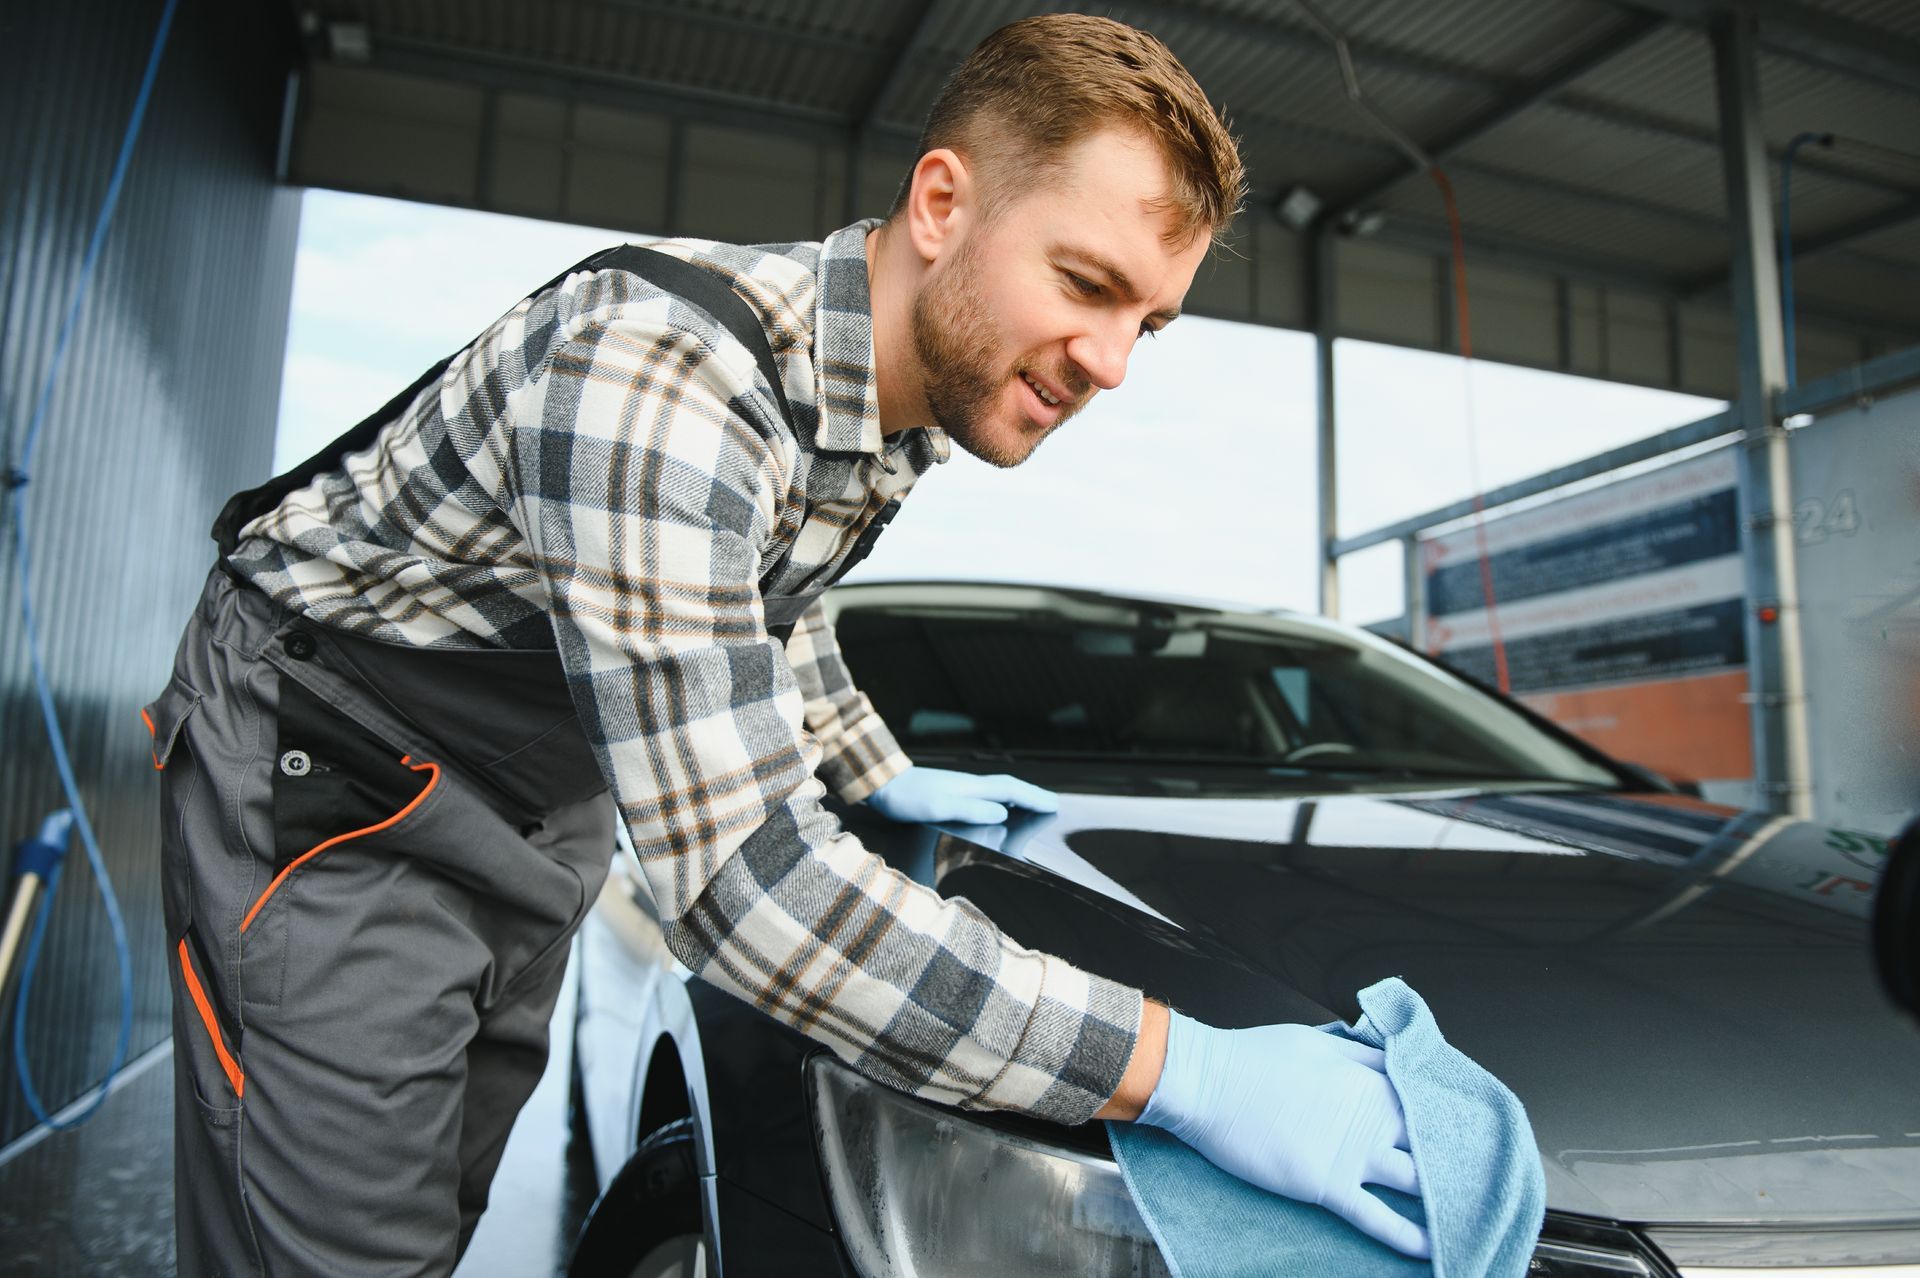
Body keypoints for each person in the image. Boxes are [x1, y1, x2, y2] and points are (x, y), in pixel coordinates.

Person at [145, 13, 1427, 1274]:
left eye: (1147, 322)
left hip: (536, 801)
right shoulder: (659, 384)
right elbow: (747, 896)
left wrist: (869, 765)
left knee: (436, 1200)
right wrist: (1179, 1069)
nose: (1109, 364)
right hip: (332, 772)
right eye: (1087, 284)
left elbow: (774, 590)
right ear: (941, 205)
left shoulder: (904, 398)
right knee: (340, 1249)